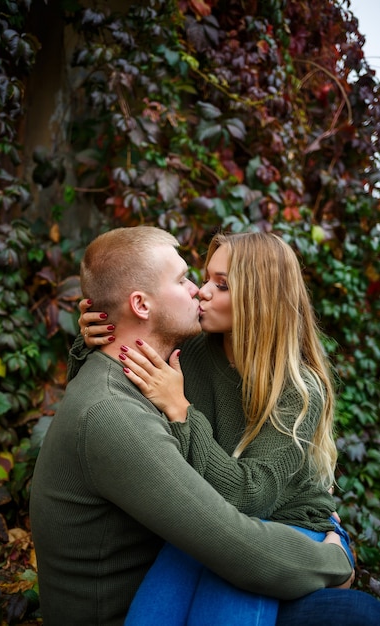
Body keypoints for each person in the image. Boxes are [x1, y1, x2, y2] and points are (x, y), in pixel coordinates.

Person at [30, 226, 356, 626]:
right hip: (213, 523)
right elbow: (115, 378)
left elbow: (251, 498)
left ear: (257, 300)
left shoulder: (296, 391)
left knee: (226, 610)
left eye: (219, 284)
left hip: (287, 527)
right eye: (196, 278)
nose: (200, 290)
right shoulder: (191, 349)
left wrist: (182, 411)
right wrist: (102, 331)